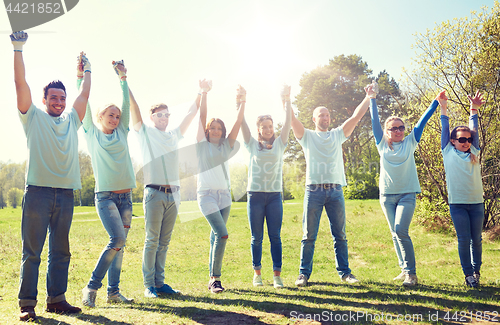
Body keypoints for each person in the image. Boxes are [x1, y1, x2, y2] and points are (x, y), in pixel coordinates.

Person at [11, 31, 89, 321]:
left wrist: (86, 71)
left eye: (62, 98)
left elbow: (84, 95)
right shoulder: (32, 116)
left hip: (66, 194)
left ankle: (56, 299)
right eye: (53, 97)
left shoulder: (71, 122)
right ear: (44, 100)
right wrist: (18, 48)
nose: (58, 101)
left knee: (61, 251)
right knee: (32, 252)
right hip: (38, 193)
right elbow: (20, 83)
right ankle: (27, 305)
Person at [292, 83, 375, 287]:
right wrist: (285, 100)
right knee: (309, 235)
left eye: (327, 115)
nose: (325, 118)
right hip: (314, 191)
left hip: (335, 191)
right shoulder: (307, 137)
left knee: (340, 235)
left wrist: (368, 97)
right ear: (314, 119)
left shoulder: (337, 134)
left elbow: (355, 117)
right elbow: (292, 121)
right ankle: (303, 274)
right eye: (321, 115)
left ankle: (345, 273)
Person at [129, 81, 201, 298]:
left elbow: (190, 113)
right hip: (154, 193)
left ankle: (160, 283)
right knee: (152, 240)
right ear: (152, 117)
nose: (164, 118)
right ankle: (149, 285)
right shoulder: (145, 133)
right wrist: (125, 81)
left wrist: (201, 92)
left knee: (164, 241)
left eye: (167, 115)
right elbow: (134, 109)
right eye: (160, 115)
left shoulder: (174, 136)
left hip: (174, 194)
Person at [370, 86, 441, 287]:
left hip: (407, 195)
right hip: (386, 196)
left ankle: (411, 273)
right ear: (387, 131)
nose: (399, 131)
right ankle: (403, 268)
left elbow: (422, 122)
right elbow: (374, 121)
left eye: (401, 127)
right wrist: (372, 98)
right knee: (394, 232)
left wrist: (436, 101)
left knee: (401, 230)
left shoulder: (410, 142)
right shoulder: (381, 143)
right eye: (394, 128)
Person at [81, 60, 135, 307]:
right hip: (106, 198)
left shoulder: (122, 131)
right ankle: (92, 287)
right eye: (110, 115)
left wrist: (122, 78)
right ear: (100, 116)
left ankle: (113, 292)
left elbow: (125, 105)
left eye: (117, 116)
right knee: (117, 240)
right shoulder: (91, 133)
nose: (115, 118)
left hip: (126, 198)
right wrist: (81, 76)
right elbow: (85, 103)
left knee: (120, 246)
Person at [240, 85, 292, 288]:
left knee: (275, 237)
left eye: (271, 126)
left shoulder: (280, 143)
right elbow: (241, 122)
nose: (268, 129)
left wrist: (287, 99)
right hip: (255, 196)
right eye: (264, 127)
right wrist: (241, 101)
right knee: (256, 238)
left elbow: (288, 121)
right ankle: (257, 274)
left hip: (274, 197)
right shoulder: (252, 144)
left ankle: (277, 276)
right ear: (259, 129)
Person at [196, 81, 245, 293]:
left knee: (215, 236)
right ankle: (215, 279)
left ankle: (211, 277)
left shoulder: (227, 146)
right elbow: (201, 117)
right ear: (207, 131)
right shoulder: (201, 146)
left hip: (225, 197)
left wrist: (243, 101)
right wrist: (204, 93)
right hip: (206, 196)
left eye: (219, 128)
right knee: (222, 234)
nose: (216, 130)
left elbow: (238, 122)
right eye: (212, 128)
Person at [438, 90, 485, 288]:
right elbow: (445, 126)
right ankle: (468, 275)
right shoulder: (448, 152)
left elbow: (473, 129)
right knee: (464, 239)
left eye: (468, 139)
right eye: (461, 139)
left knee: (477, 240)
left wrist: (473, 110)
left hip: (477, 204)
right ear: (453, 141)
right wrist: (443, 107)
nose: (466, 142)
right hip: (457, 204)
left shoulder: (475, 152)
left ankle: (477, 271)